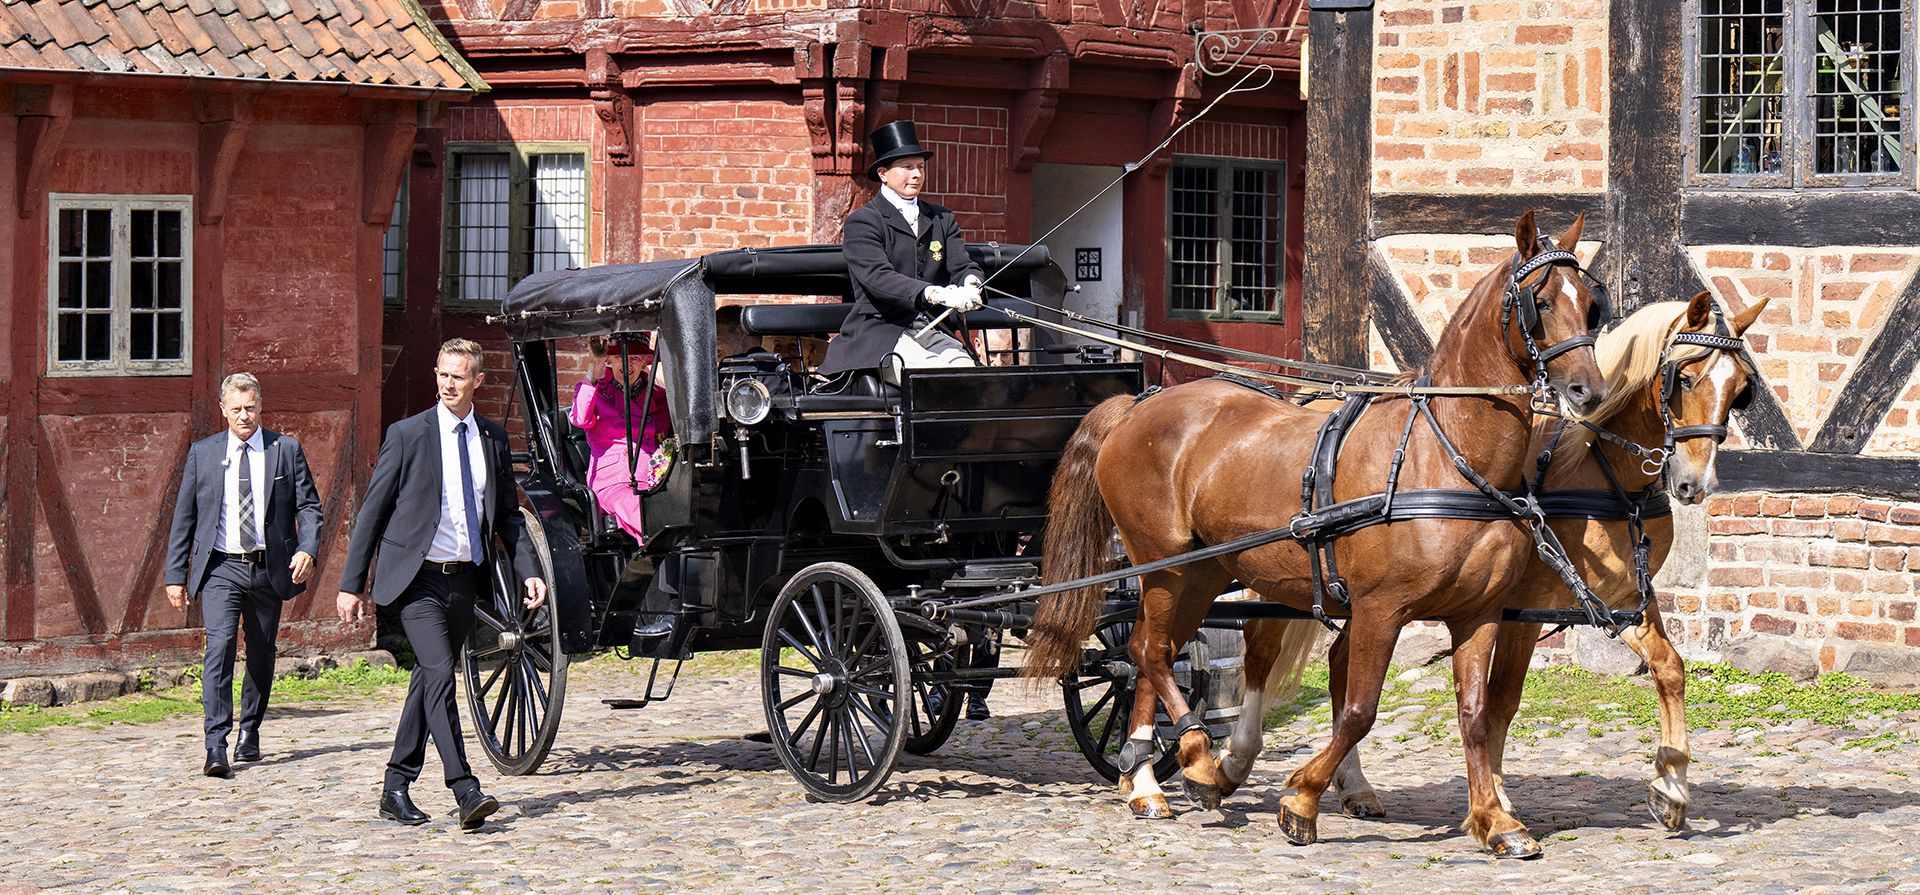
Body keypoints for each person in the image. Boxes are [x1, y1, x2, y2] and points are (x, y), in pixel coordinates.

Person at [335, 339, 547, 830]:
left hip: (464, 581)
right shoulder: (408, 434)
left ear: (478, 381)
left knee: (427, 680)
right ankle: (464, 788)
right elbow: (373, 511)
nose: (448, 384)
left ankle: (395, 786)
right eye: (442, 374)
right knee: (440, 677)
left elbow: (508, 517)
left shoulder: (492, 438)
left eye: (458, 376)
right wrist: (351, 584)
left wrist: (529, 570)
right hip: (417, 579)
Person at [163, 373, 323, 778]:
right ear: (223, 410)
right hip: (221, 567)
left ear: (261, 405)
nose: (244, 416)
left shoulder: (285, 450)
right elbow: (184, 517)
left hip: (269, 568)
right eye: (235, 409)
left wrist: (307, 548)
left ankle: (249, 729)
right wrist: (175, 575)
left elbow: (309, 507)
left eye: (250, 408)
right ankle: (215, 744)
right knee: (218, 648)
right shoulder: (203, 453)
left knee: (261, 653)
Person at [818, 120, 987, 383]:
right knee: (935, 381)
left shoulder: (942, 218)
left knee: (972, 378)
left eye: (921, 166)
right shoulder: (863, 221)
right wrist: (933, 292)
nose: (917, 174)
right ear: (883, 174)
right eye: (907, 167)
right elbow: (878, 277)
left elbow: (961, 265)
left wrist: (971, 282)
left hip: (932, 328)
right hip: (881, 333)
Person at [571, 333, 674, 543]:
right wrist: (596, 364)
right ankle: (662, 549)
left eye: (635, 358)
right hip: (615, 482)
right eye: (620, 357)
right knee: (639, 508)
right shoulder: (596, 390)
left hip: (655, 480)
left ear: (645, 362)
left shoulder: (658, 396)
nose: (627, 364)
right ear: (609, 359)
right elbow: (580, 419)